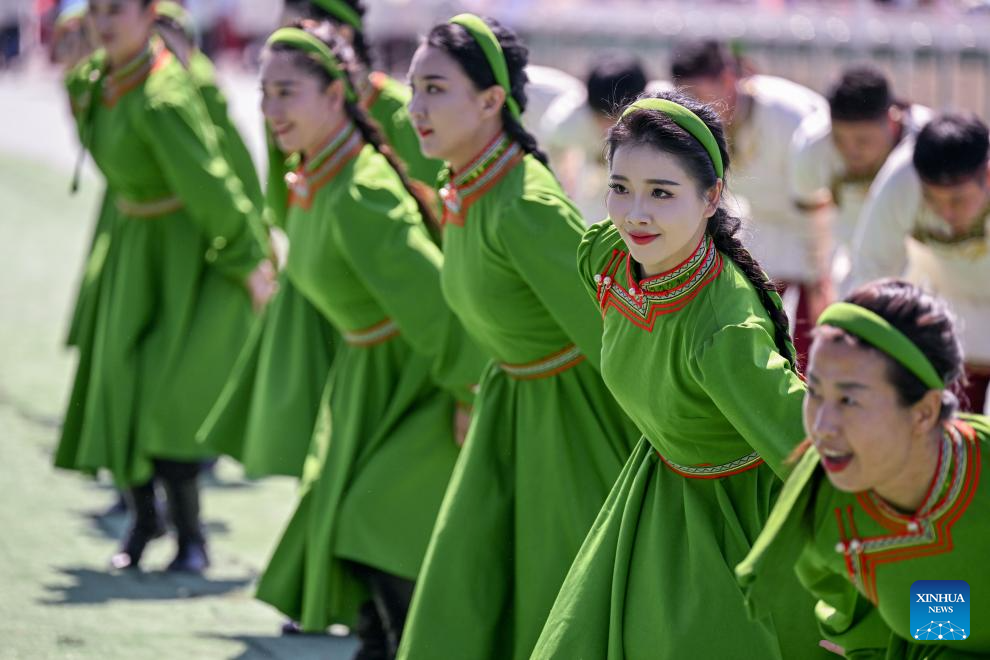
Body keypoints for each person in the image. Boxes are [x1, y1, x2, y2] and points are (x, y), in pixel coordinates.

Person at [531, 91, 827, 659]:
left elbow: (809, 448)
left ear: (711, 196)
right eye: (620, 188)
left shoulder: (724, 331)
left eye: (662, 193)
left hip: (737, 529)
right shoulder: (611, 261)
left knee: (935, 619)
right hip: (656, 494)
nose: (634, 214)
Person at [398, 15, 640, 660]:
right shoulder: (468, 188)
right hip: (512, 404)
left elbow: (608, 329)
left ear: (490, 101)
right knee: (475, 579)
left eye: (435, 89)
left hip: (574, 421)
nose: (416, 107)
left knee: (566, 592)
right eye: (413, 87)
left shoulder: (523, 204)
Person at [249, 24, 485, 658]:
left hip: (419, 378)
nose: (271, 110)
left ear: (335, 96)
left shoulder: (359, 189)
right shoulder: (318, 172)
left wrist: (468, 391)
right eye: (264, 93)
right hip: (367, 376)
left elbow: (439, 305)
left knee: (373, 521)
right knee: (350, 523)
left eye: (287, 93)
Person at [53, 0, 275, 573]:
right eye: (96, 10)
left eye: (118, 10)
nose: (104, 23)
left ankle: (191, 537)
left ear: (150, 13)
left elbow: (213, 183)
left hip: (187, 254)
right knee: (119, 385)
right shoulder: (93, 80)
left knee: (173, 400)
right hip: (133, 243)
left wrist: (251, 258)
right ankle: (143, 518)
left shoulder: (165, 95)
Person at [738, 279, 989, 658]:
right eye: (816, 392)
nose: (822, 426)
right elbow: (935, 624)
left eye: (849, 400)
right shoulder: (822, 510)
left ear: (924, 412)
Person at [672, 39, 829, 365]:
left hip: (817, 231)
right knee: (754, 329)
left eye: (701, 97)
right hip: (763, 227)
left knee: (810, 343)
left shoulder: (790, 115)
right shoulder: (694, 119)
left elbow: (823, 204)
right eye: (688, 101)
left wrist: (820, 275)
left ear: (728, 79)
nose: (695, 110)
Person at [848, 114, 990, 414]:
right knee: (954, 433)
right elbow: (871, 269)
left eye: (957, 201)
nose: (946, 215)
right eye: (933, 201)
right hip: (953, 314)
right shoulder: (901, 180)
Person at [791, 65, 930, 291]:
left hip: (928, 271)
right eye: (840, 139)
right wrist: (818, 277)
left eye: (863, 140)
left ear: (892, 122)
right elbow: (810, 218)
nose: (851, 151)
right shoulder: (813, 144)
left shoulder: (928, 146)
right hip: (854, 265)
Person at [539, 53, 670, 221]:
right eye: (603, 119)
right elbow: (551, 144)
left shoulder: (663, 109)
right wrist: (562, 179)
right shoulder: (568, 120)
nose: (610, 129)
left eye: (617, 118)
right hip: (594, 174)